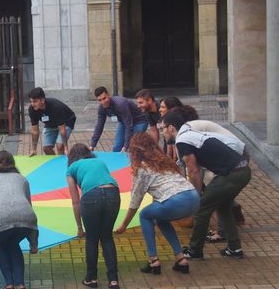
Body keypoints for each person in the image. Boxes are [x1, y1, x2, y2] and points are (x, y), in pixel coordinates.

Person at [163, 110, 251, 260]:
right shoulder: (189, 134)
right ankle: (234, 248)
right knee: (223, 206)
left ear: (171, 128)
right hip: (241, 171)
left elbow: (193, 170)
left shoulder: (182, 140)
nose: (162, 133)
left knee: (201, 209)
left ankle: (194, 250)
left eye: (163, 128)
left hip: (232, 174)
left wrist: (194, 196)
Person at [114, 133, 199, 274]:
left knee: (145, 215)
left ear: (134, 152)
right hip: (194, 197)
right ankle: (181, 258)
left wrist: (124, 225)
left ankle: (153, 261)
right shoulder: (164, 161)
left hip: (176, 201)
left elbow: (135, 202)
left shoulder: (142, 169)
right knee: (161, 219)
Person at [0, 151, 38, 289]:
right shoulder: (23, 179)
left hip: (0, 220)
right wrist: (33, 242)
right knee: (13, 244)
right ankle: (21, 286)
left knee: (1, 244)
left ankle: (9, 286)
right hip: (26, 220)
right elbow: (29, 206)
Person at [66, 143, 120, 289]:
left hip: (91, 196)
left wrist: (79, 227)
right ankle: (113, 279)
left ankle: (91, 278)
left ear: (72, 157)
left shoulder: (71, 169)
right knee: (107, 237)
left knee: (91, 239)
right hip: (113, 194)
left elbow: (75, 201)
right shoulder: (100, 162)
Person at [89, 86, 148, 153]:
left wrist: (125, 146)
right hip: (124, 121)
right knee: (117, 147)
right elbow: (99, 125)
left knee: (134, 146)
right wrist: (92, 145)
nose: (103, 102)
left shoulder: (120, 104)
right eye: (100, 100)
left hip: (139, 121)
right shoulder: (102, 108)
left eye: (104, 98)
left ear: (108, 95)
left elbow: (129, 125)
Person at [27, 87, 76, 156]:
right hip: (51, 123)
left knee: (60, 146)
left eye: (35, 101)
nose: (32, 104)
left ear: (42, 100)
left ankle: (62, 164)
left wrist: (65, 147)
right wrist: (34, 149)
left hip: (67, 121)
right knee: (46, 148)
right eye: (31, 101)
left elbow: (62, 129)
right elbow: (35, 130)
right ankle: (55, 162)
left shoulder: (56, 107)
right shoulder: (32, 109)